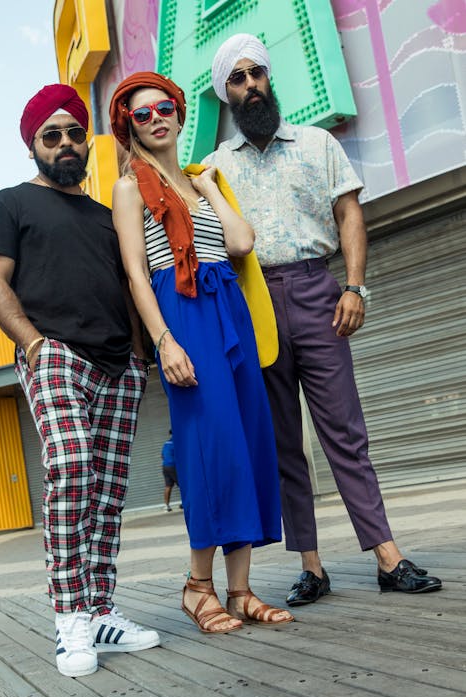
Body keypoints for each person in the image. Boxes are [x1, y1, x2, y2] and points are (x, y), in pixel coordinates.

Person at [203, 34, 442, 605]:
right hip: (255, 301)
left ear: (268, 76)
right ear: (227, 95)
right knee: (284, 440)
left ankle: (387, 556)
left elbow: (348, 213)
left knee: (345, 431)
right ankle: (311, 566)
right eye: (236, 79)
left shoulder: (317, 143)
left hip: (316, 288)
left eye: (255, 72)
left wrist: (355, 286)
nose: (250, 85)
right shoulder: (212, 170)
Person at [0, 84, 160, 678]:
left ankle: (101, 611)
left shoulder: (107, 217)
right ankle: (70, 617)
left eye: (74, 133)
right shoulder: (10, 203)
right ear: (33, 145)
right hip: (53, 354)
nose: (65, 144)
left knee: (107, 493)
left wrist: (138, 356)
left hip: (117, 365)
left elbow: (132, 285)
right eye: (51, 136)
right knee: (72, 466)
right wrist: (31, 343)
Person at [109, 71, 294, 633]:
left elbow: (240, 244)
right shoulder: (128, 187)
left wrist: (209, 187)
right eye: (142, 113)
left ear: (179, 113)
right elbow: (137, 276)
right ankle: (197, 586)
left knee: (249, 443)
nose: (156, 117)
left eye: (164, 107)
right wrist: (164, 341)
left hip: (229, 309)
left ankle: (240, 590)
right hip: (182, 312)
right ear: (129, 127)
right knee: (210, 447)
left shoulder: (198, 181)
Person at [161, 429, 179, 511]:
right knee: (183, 484)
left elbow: (162, 456)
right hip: (173, 466)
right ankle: (185, 503)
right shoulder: (176, 442)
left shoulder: (166, 443)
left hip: (165, 466)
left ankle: (166, 506)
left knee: (168, 486)